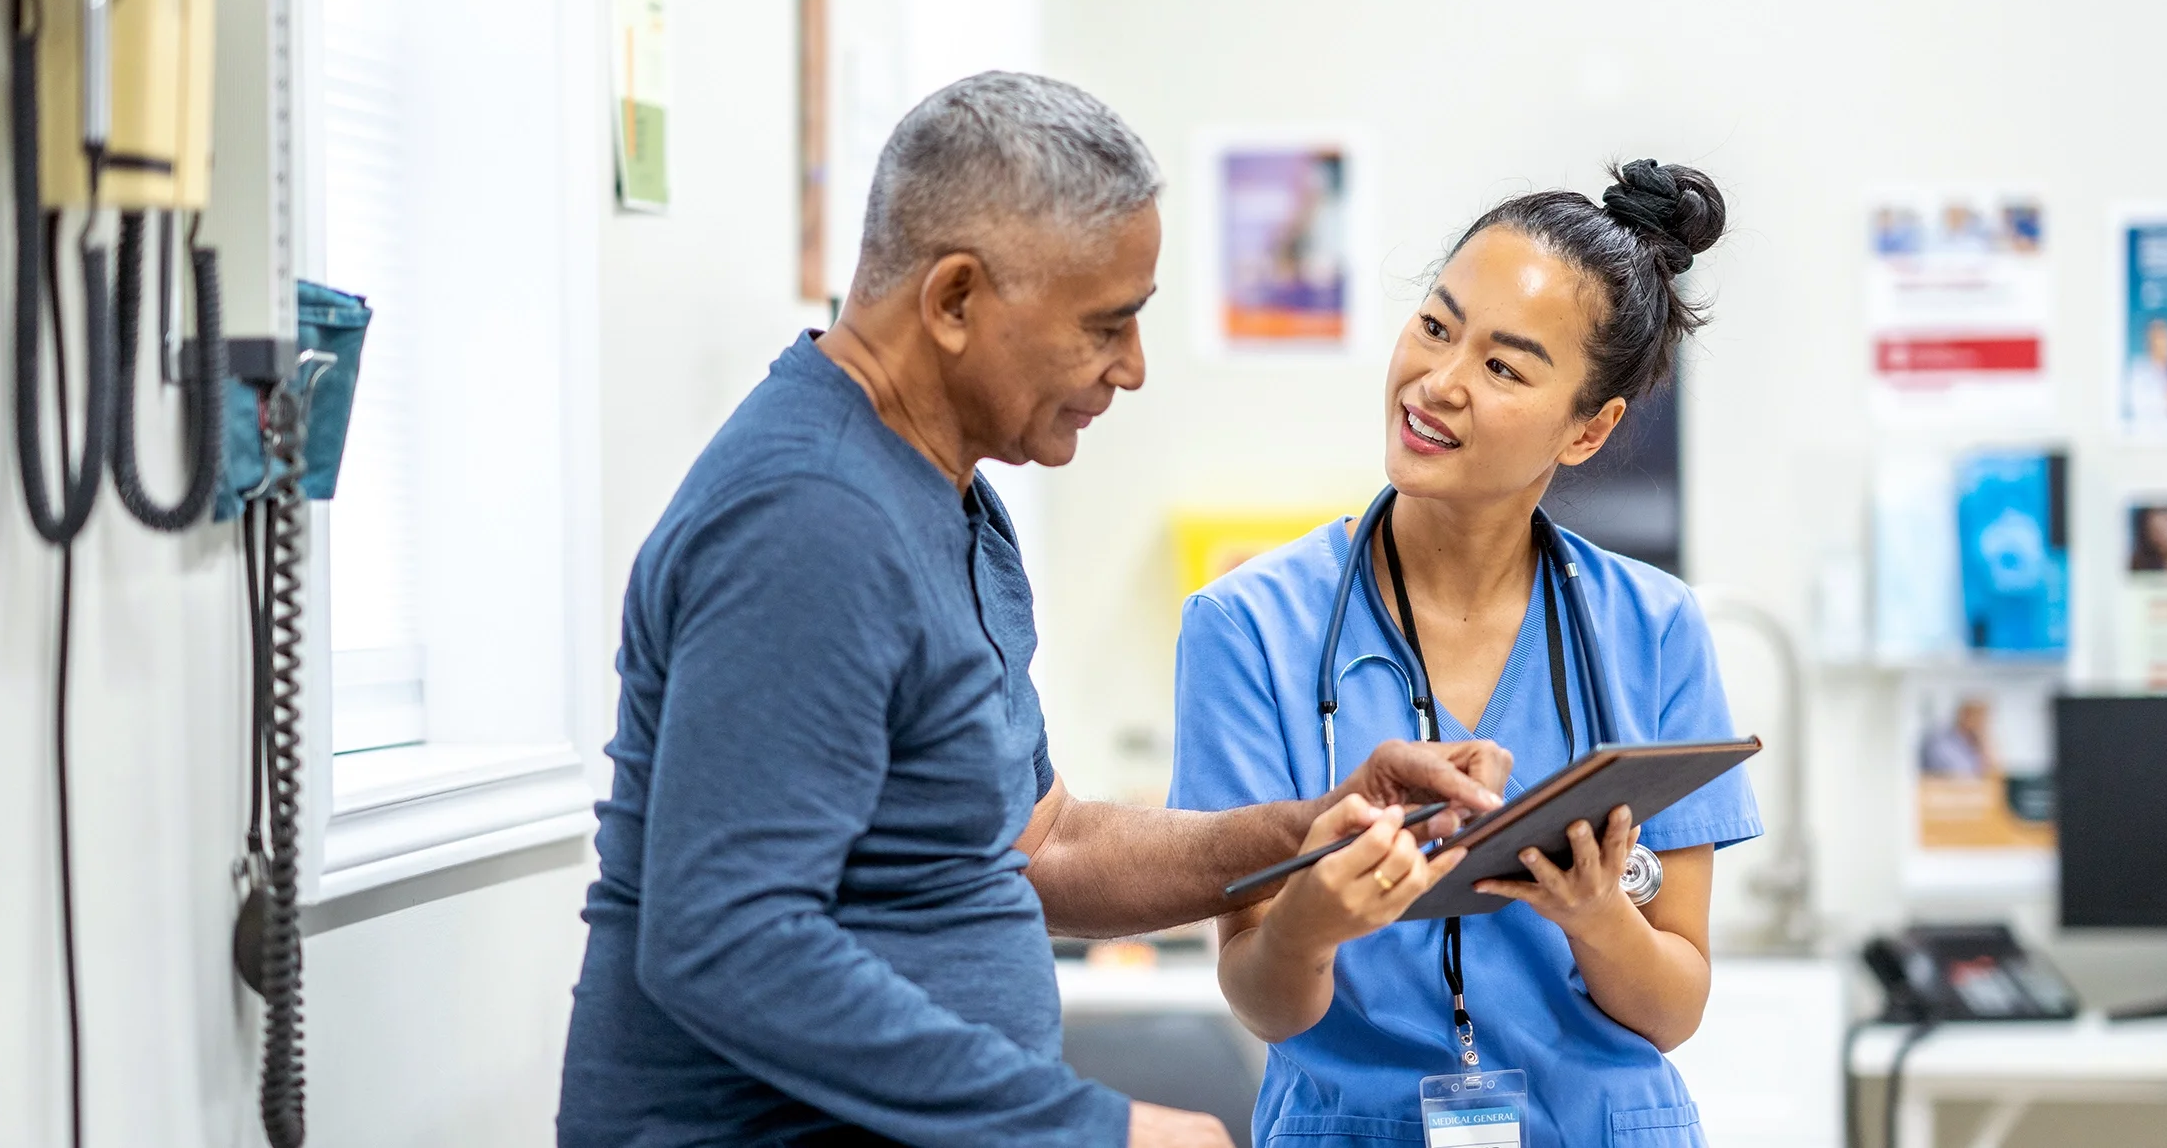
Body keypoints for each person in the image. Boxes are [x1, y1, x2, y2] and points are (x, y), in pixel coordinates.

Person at [557, 72, 1512, 1148]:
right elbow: (723, 939)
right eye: (1108, 326)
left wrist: (1316, 829)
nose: (1134, 369)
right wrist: (1096, 1131)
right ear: (955, 299)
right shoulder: (810, 521)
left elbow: (1042, 845)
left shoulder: (947, 494)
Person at [1170, 161, 1763, 1147]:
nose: (1438, 383)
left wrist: (1596, 913)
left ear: (1590, 428)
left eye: (1503, 367)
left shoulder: (1654, 630)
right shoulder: (1249, 627)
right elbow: (1261, 999)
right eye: (1437, 327)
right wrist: (1315, 918)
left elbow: (1675, 1005)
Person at [2126, 316, 2167, 431]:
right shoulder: (2138, 371)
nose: (2161, 342)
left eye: (2165, 335)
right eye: (2156, 336)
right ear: (2147, 340)